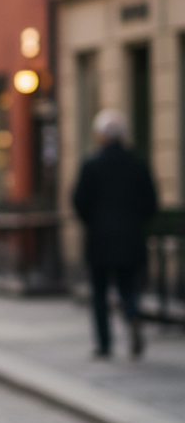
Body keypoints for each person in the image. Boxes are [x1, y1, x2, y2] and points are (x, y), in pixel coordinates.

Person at [73, 108, 157, 359]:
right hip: (131, 238)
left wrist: (93, 222)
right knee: (128, 287)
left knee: (99, 293)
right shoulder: (137, 164)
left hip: (99, 239)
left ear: (101, 136)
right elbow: (151, 202)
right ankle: (132, 316)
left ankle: (104, 344)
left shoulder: (91, 164)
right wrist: (136, 223)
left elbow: (79, 201)